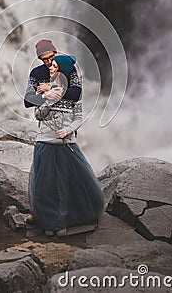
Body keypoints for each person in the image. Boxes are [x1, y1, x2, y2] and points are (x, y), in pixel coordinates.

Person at [28, 54, 104, 237]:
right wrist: (48, 98)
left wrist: (68, 129)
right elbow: (38, 115)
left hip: (66, 144)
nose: (50, 68)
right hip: (45, 142)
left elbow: (79, 117)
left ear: (63, 70)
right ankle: (50, 221)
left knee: (66, 184)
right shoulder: (45, 91)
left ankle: (66, 219)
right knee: (46, 186)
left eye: (54, 65)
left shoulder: (74, 94)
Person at [24, 39, 82, 108]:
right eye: (45, 59)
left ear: (55, 53)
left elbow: (78, 93)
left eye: (51, 56)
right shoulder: (36, 73)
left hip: (68, 116)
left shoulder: (68, 67)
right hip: (44, 117)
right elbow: (27, 101)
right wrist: (45, 96)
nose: (49, 61)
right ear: (40, 59)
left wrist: (50, 88)